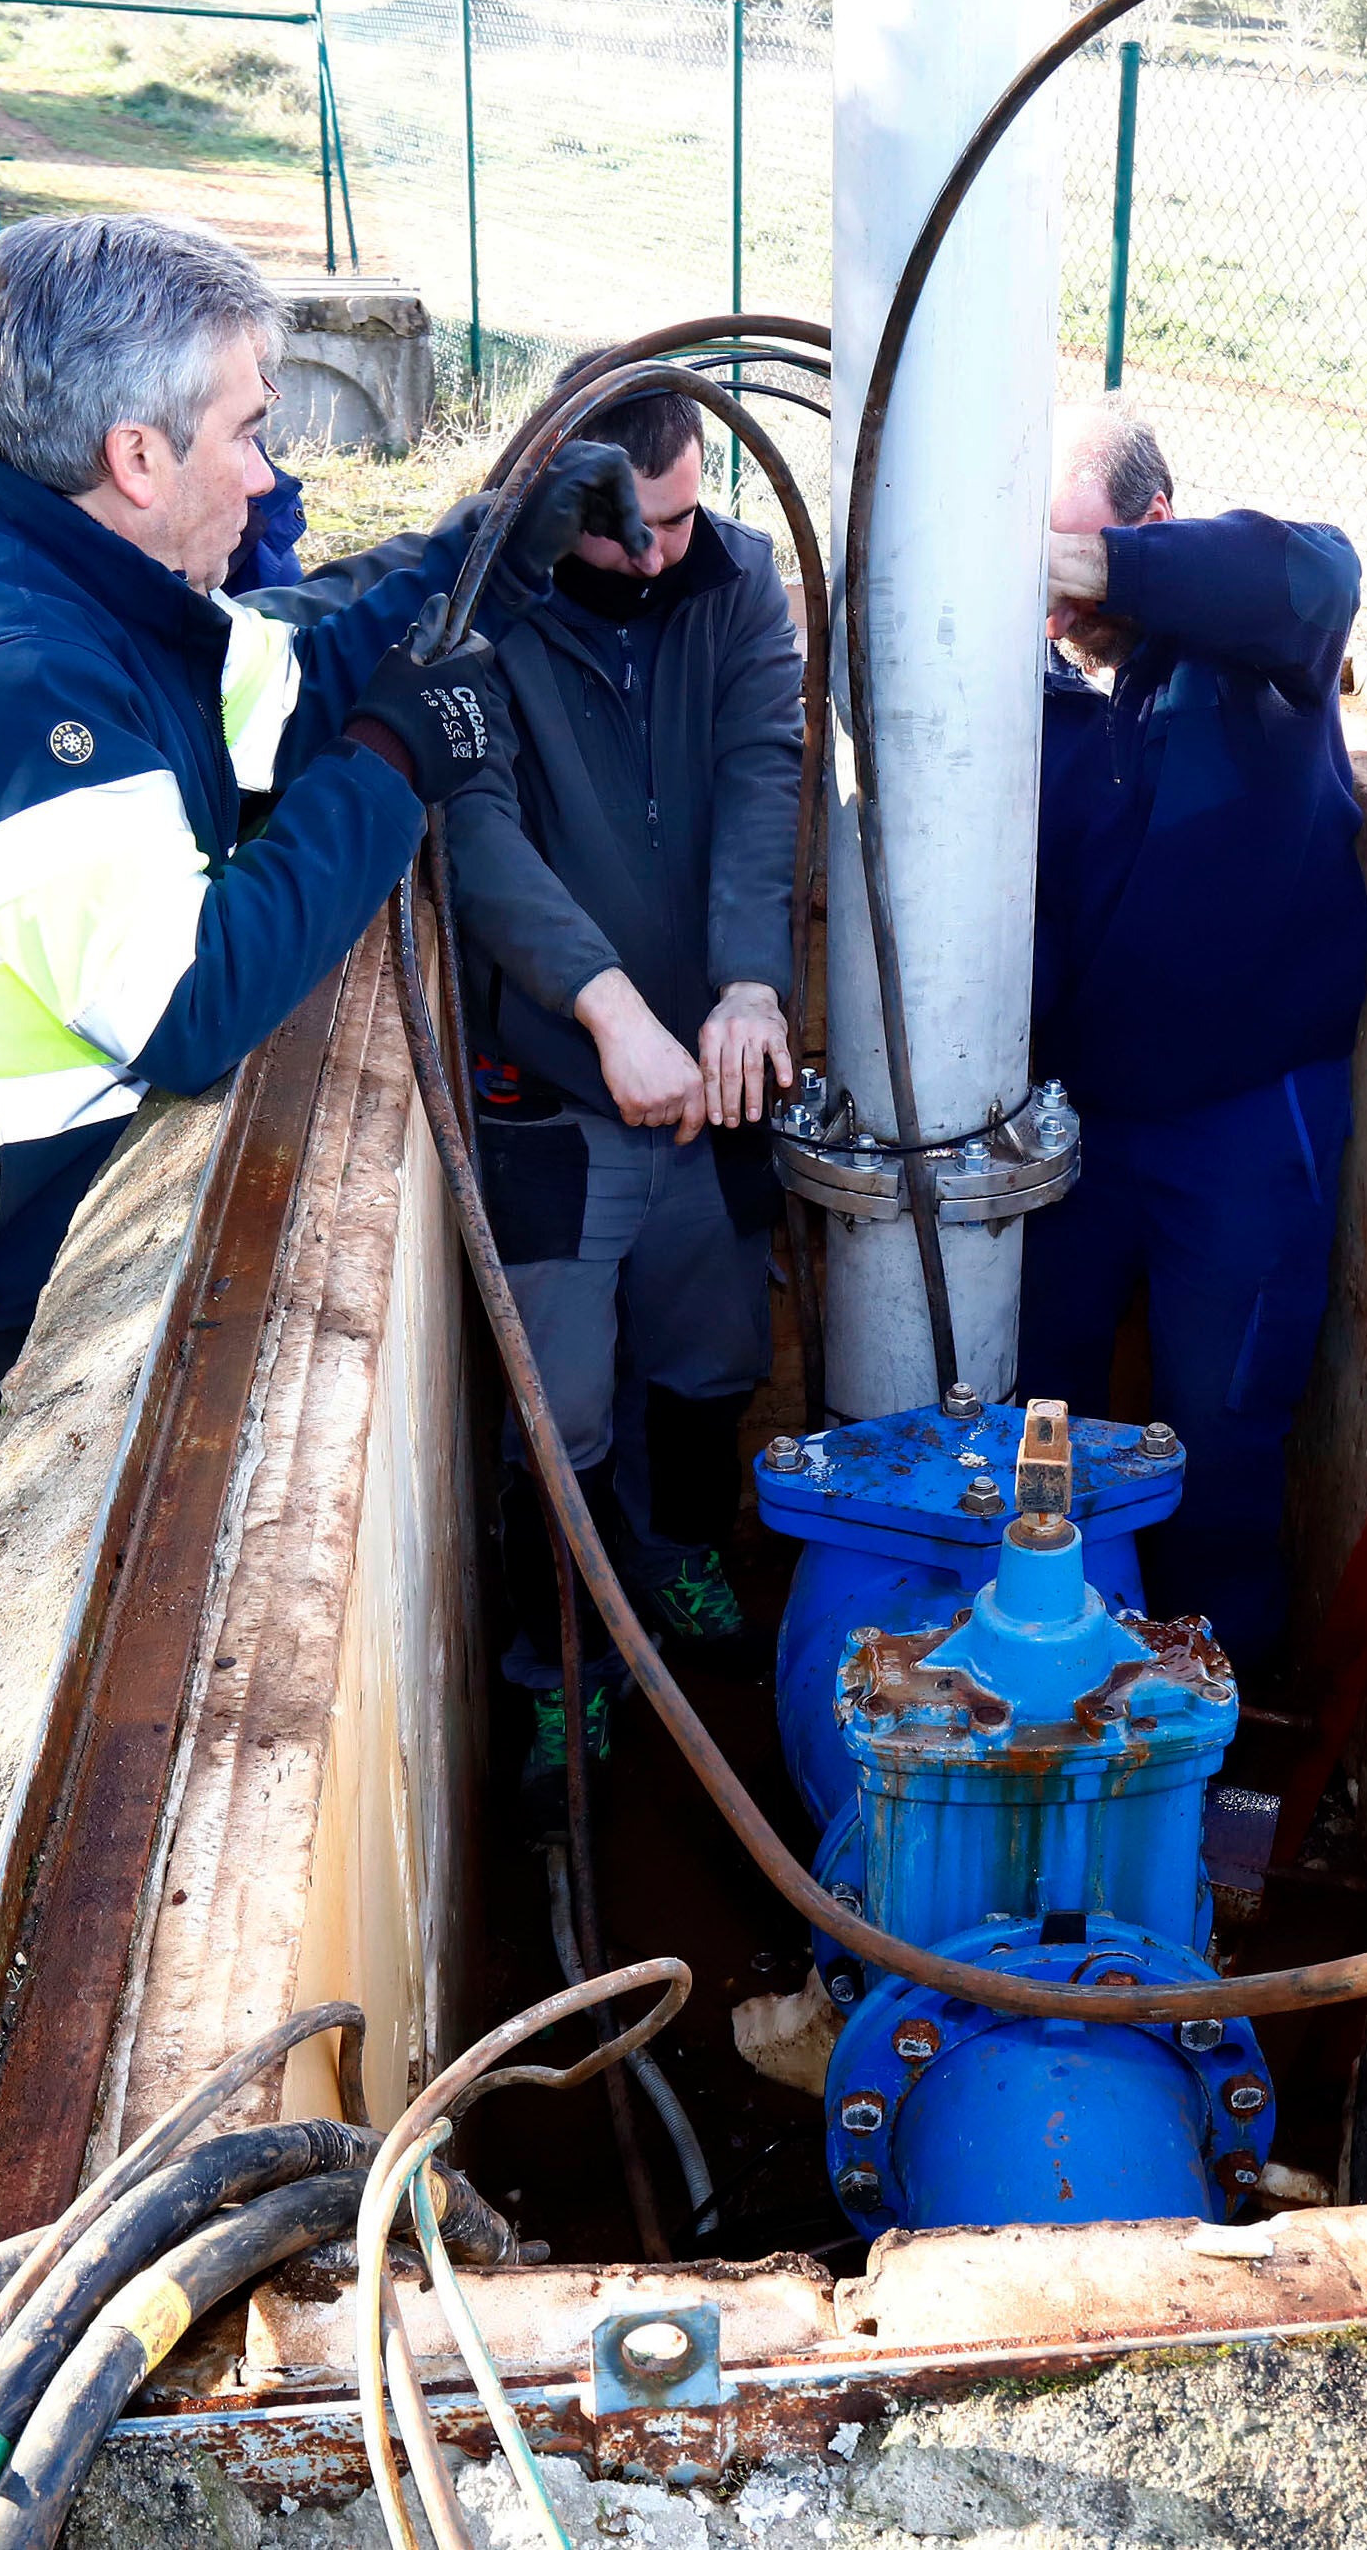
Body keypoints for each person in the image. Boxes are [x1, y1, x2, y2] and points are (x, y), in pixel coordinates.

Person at [0, 211, 646, 1667]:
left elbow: (288, 687)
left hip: (11, 1219)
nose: (268, 473)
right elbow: (188, 1001)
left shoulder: (85, 582)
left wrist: (490, 551)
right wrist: (391, 762)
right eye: (247, 430)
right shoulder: (9, 672)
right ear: (136, 455)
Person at [445, 352, 803, 1799]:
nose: (656, 556)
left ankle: (680, 1560)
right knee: (564, 1408)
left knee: (713, 1354)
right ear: (555, 500)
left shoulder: (739, 581)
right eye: (623, 529)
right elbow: (473, 825)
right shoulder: (483, 605)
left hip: (707, 1078)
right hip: (554, 1088)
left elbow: (763, 769)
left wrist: (747, 983)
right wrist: (602, 1006)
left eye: (678, 517)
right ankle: (561, 1668)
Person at [1016, 400, 1366, 1675]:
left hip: (1242, 1130)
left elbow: (1321, 569)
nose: (1059, 608)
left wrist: (1083, 568)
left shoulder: (1257, 661)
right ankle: (1048, 1695)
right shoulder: (1072, 708)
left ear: (1150, 526)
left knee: (1216, 1452)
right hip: (1085, 1130)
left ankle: (1217, 1733)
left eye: (1075, 559)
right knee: (1034, 1418)